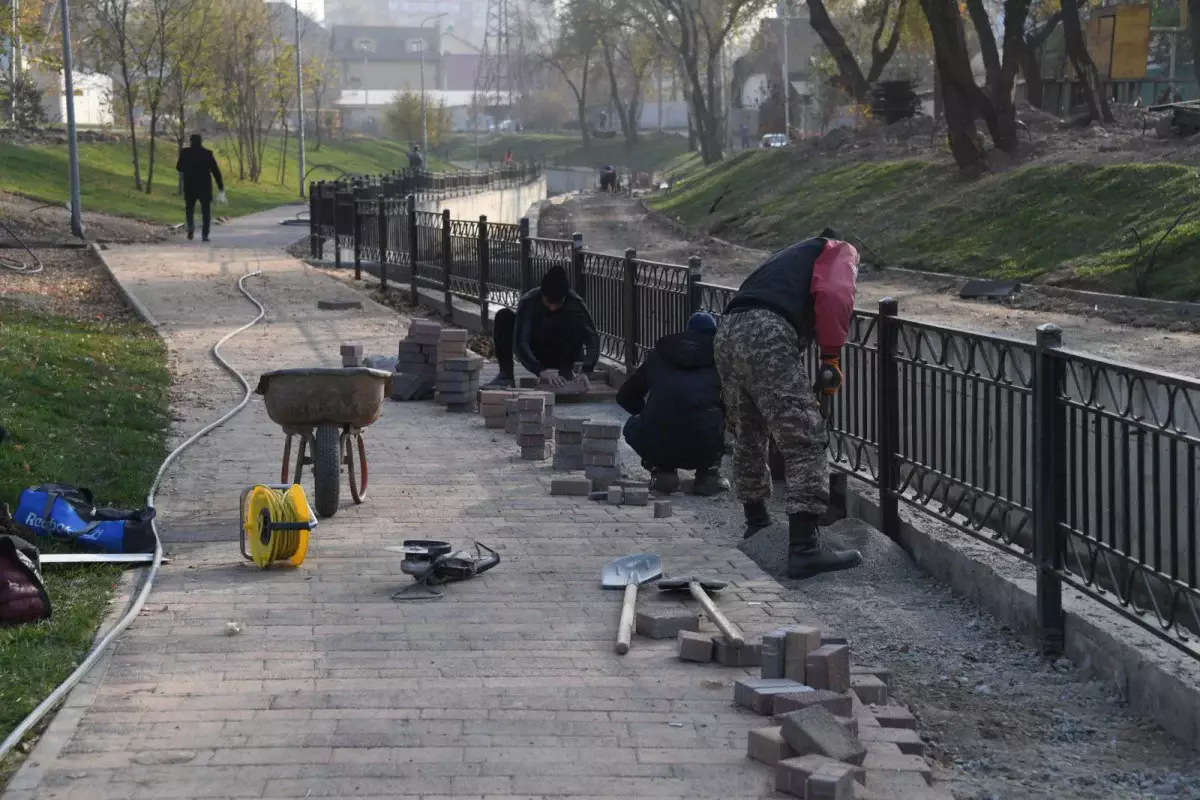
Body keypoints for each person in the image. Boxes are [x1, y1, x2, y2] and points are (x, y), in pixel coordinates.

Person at [712, 229, 862, 580]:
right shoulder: (839, 251)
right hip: (766, 330)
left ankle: (757, 524)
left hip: (729, 330)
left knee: (748, 432)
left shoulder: (788, 255)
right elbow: (836, 295)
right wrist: (830, 357)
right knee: (806, 439)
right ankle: (805, 549)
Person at [618, 312, 729, 496]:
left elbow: (625, 396)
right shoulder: (721, 360)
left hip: (660, 440)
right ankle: (708, 475)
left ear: (687, 332)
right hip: (703, 443)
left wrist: (648, 414)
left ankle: (662, 471)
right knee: (717, 416)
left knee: (632, 426)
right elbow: (733, 406)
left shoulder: (659, 355)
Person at [486, 265, 600, 389]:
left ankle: (566, 372)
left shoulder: (575, 303)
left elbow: (592, 338)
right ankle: (506, 376)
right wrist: (540, 370)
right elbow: (520, 341)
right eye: (549, 302)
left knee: (575, 321)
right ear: (542, 294)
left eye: (558, 304)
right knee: (504, 316)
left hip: (564, 353)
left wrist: (586, 370)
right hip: (538, 352)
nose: (552, 308)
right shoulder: (530, 301)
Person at [175, 134, 224, 242]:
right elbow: (215, 171)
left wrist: (187, 169)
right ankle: (205, 235)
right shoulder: (207, 154)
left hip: (190, 185)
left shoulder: (185, 153)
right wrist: (220, 186)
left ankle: (191, 229)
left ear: (191, 141)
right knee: (206, 211)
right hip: (204, 187)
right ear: (201, 142)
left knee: (189, 209)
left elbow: (178, 167)